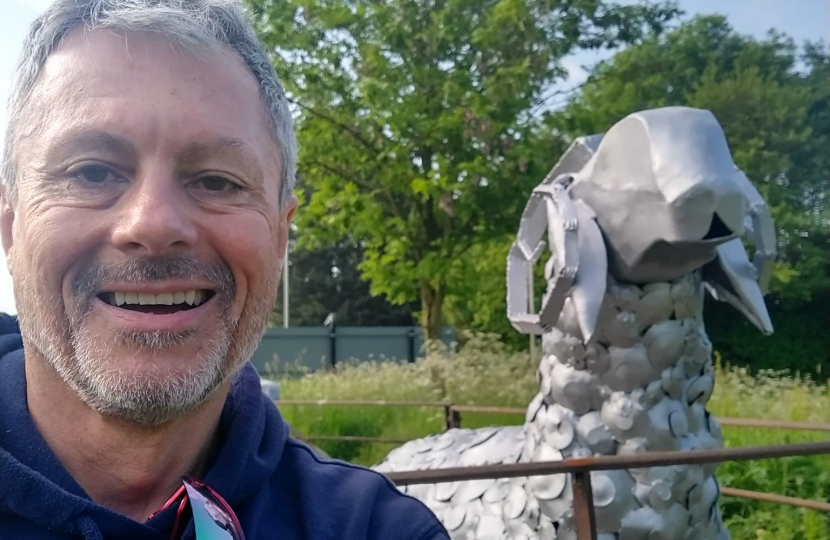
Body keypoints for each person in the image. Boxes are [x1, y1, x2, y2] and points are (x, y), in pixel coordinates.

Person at [0, 1, 449, 539]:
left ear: (281, 236)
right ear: (9, 225)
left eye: (216, 181)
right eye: (92, 171)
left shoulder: (375, 530)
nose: (154, 222)